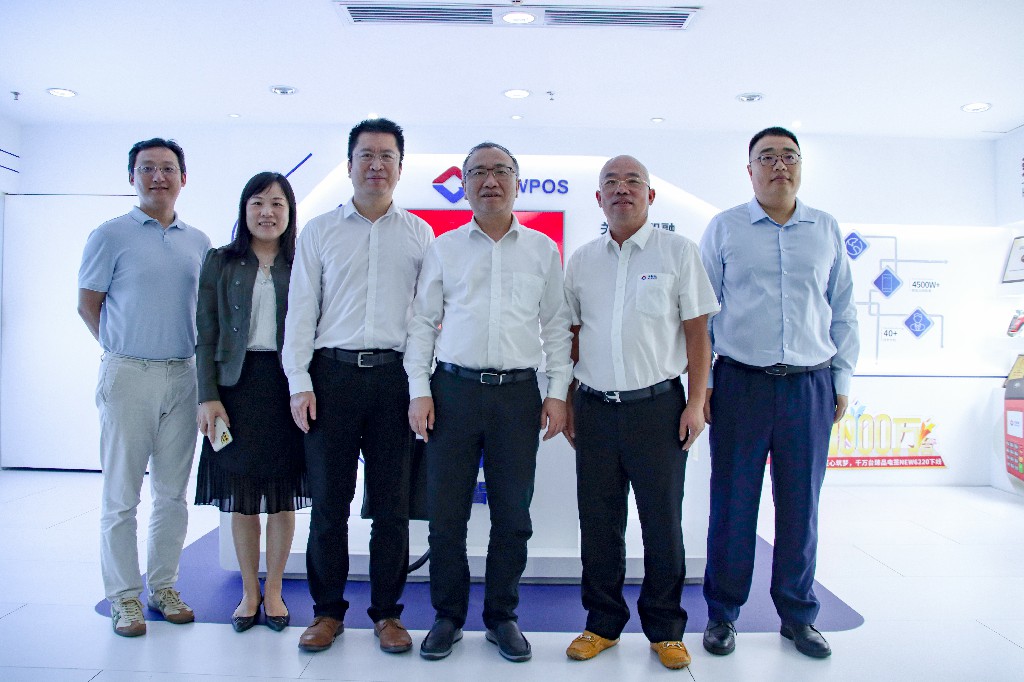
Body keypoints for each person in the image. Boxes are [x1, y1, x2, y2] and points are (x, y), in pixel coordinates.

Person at [406, 142, 573, 663]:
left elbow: (556, 327)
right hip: (452, 392)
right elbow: (421, 323)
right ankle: (447, 617)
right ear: (464, 185)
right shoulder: (445, 247)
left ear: (517, 182)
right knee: (446, 515)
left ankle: (502, 616)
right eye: (478, 172)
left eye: (501, 171)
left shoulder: (543, 250)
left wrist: (557, 394)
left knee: (513, 515)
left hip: (518, 396)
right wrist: (419, 390)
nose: (490, 181)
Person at [698, 126, 859, 659]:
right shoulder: (725, 228)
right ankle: (723, 614)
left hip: (809, 386)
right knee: (732, 505)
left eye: (789, 156)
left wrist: (841, 380)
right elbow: (702, 314)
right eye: (766, 157)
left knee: (800, 507)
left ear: (800, 166)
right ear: (750, 170)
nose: (779, 165)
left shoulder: (825, 228)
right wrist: (705, 385)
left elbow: (843, 310)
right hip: (739, 385)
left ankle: (798, 615)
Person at [561, 156, 718, 671]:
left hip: (658, 408)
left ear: (651, 196)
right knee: (599, 523)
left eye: (633, 182)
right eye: (611, 182)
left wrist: (696, 401)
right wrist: (568, 400)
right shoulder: (582, 260)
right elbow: (571, 335)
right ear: (598, 198)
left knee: (662, 524)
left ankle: (666, 630)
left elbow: (698, 332)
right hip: (594, 409)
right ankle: (602, 624)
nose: (621, 189)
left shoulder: (678, 252)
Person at [283, 118, 433, 654]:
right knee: (329, 504)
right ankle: (327, 612)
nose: (376, 165)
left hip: (394, 381)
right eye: (366, 154)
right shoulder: (319, 231)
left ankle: (387, 614)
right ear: (349, 165)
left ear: (400, 167)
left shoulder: (419, 234)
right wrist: (299, 380)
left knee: (392, 507)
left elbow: (424, 320)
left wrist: (420, 386)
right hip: (332, 377)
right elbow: (301, 310)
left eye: (387, 155)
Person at [77, 138, 211, 637]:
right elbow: (88, 304)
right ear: (132, 177)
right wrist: (121, 349)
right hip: (129, 374)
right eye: (147, 168)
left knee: (172, 494)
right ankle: (124, 597)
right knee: (121, 496)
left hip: (184, 375)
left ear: (183, 178)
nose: (158, 176)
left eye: (168, 168)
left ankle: (164, 586)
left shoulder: (198, 241)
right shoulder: (109, 235)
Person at [194, 171, 310, 633]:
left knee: (281, 496)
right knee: (241, 498)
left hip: (287, 387)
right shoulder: (220, 261)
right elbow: (205, 333)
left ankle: (275, 590)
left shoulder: (302, 262)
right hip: (234, 390)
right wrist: (207, 395)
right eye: (258, 202)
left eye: (277, 203)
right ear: (244, 210)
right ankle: (249, 591)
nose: (267, 212)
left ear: (290, 212)